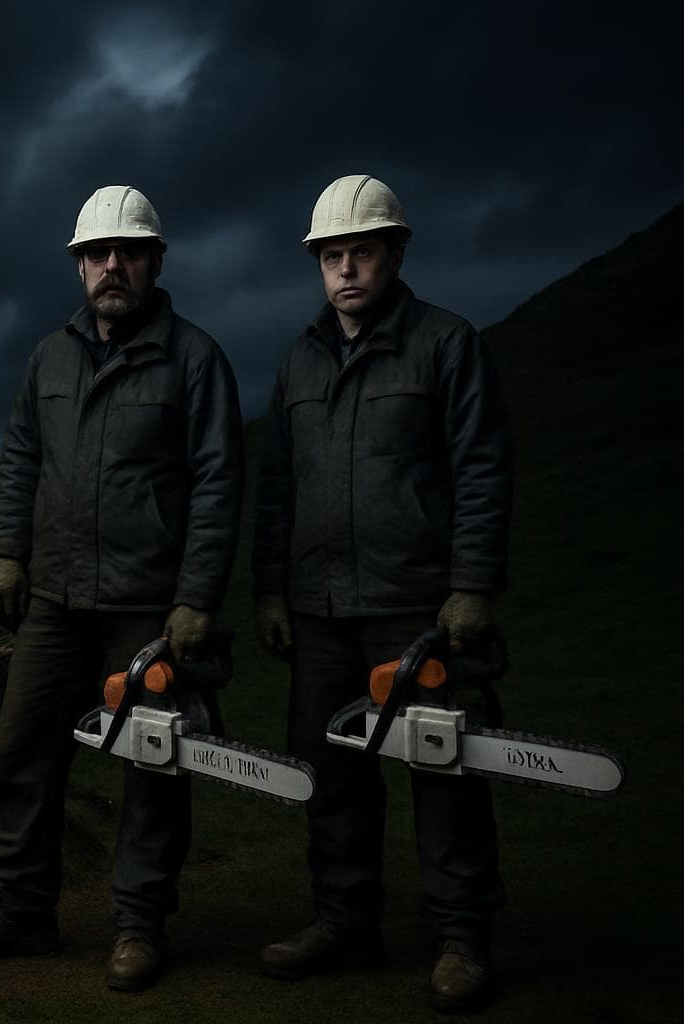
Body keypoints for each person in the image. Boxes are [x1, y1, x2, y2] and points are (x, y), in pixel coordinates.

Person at [0, 185, 244, 992]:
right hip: (55, 599)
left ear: (154, 262)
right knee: (20, 751)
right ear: (78, 265)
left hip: (149, 604)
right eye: (98, 253)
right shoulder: (50, 357)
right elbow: (20, 461)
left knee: (152, 765)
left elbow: (218, 484)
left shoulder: (195, 358)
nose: (113, 265)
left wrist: (196, 598)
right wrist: (7, 554)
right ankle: (19, 912)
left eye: (128, 252)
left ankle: (139, 926)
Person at [251, 174, 511, 1012]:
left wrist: (471, 586)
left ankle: (462, 939)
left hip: (416, 606)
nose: (346, 269)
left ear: (395, 253)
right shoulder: (298, 360)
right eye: (331, 256)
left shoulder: (445, 343)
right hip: (320, 609)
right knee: (331, 774)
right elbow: (277, 486)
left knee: (442, 774)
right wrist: (271, 592)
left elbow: (481, 471)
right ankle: (344, 923)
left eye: (361, 251)